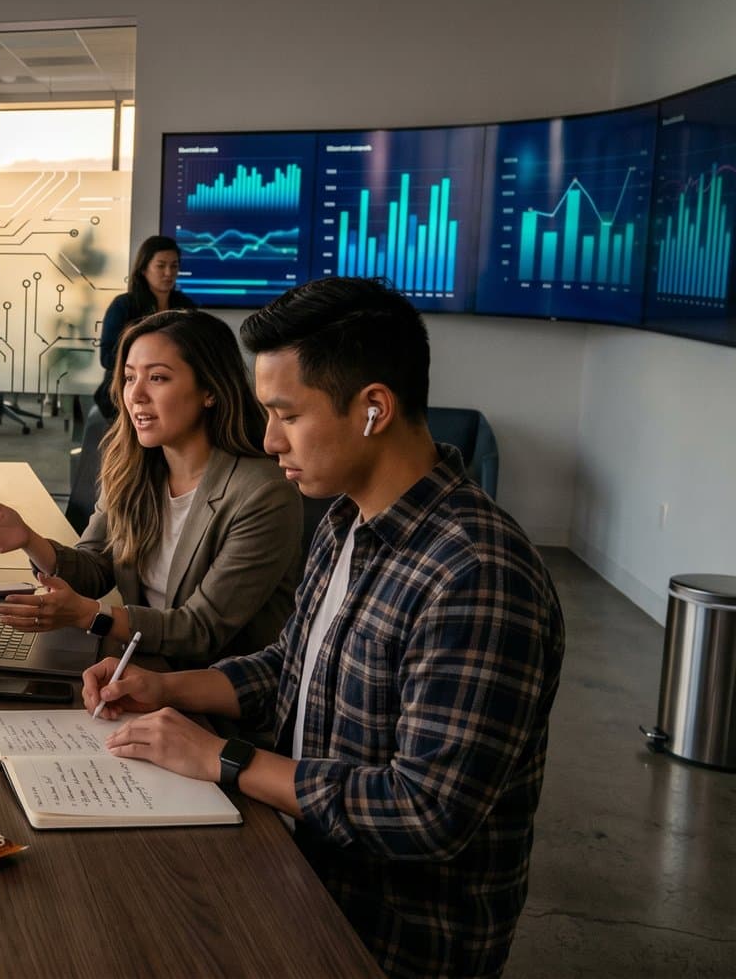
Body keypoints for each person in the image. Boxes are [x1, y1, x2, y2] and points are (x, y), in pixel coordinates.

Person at [86, 279, 564, 979]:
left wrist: (222, 758)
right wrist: (163, 684)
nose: (269, 437)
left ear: (374, 408)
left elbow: (423, 810)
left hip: (386, 938)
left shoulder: (476, 574)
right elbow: (292, 665)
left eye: (286, 414)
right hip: (300, 872)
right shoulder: (346, 517)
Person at [0, 310, 301, 669]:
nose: (135, 395)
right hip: (140, 666)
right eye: (128, 377)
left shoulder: (263, 494)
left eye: (157, 378)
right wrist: (30, 540)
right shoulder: (133, 468)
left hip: (211, 694)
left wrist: (92, 615)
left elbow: (200, 631)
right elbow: (95, 570)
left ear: (210, 391)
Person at [96, 235, 196, 421]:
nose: (168, 273)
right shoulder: (124, 305)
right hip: (126, 391)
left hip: (170, 387)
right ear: (144, 269)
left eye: (174, 266)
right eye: (160, 265)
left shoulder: (185, 306)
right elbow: (106, 358)